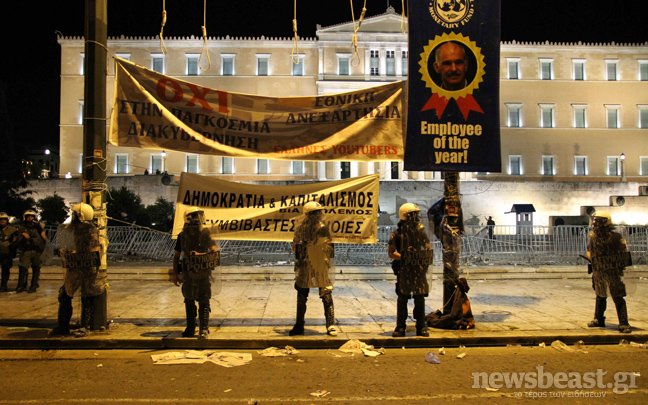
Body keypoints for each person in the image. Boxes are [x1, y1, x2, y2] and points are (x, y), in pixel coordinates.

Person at [51, 203, 105, 337]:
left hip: (86, 267)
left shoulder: (91, 231)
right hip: (74, 267)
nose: (73, 216)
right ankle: (63, 326)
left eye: (74, 214)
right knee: (64, 295)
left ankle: (85, 326)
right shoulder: (72, 229)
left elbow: (96, 248)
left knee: (86, 296)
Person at [289, 201, 337, 336]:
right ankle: (330, 325)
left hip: (312, 263)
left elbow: (295, 248)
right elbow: (329, 246)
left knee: (312, 294)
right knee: (316, 294)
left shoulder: (301, 229)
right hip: (315, 263)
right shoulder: (322, 228)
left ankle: (301, 325)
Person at [172, 207, 219, 339]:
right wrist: (175, 274)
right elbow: (177, 255)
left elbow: (214, 251)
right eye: (195, 216)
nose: (198, 219)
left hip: (201, 271)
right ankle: (192, 328)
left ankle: (203, 329)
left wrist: (203, 256)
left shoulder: (205, 233)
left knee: (203, 299)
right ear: (189, 218)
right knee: (189, 299)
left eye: (198, 216)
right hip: (189, 272)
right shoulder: (183, 235)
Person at [388, 203, 432, 337]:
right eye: (413, 214)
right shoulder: (397, 233)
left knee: (420, 297)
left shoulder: (421, 231)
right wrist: (405, 257)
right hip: (404, 268)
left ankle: (421, 326)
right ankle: (400, 326)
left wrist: (423, 256)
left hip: (418, 268)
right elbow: (391, 253)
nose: (416, 217)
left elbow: (427, 247)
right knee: (403, 297)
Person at [586, 211, 632, 333]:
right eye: (595, 221)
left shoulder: (615, 237)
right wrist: (592, 259)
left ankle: (624, 322)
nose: (596, 224)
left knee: (617, 296)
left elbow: (623, 253)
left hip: (612, 271)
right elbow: (589, 251)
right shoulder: (593, 237)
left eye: (598, 221)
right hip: (599, 270)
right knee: (600, 295)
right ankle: (599, 319)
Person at [15, 210, 47, 293]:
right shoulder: (22, 227)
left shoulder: (39, 227)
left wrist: (40, 228)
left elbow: (44, 238)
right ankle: (21, 285)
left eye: (32, 217)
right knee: (23, 267)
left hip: (37, 250)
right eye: (28, 217)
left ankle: (33, 286)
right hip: (26, 249)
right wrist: (22, 235)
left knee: (36, 268)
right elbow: (17, 240)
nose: (30, 218)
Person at [0, 212, 19, 292]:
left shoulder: (13, 230)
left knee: (5, 270)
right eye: (0, 219)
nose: (2, 221)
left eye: (4, 219)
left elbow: (19, 238)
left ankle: (4, 286)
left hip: (7, 253)